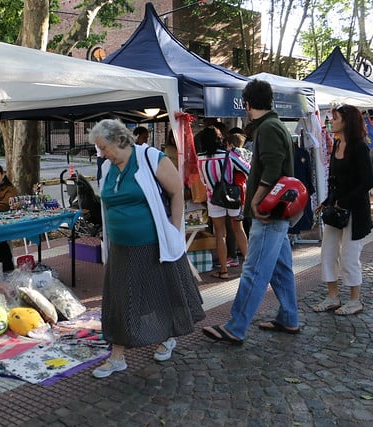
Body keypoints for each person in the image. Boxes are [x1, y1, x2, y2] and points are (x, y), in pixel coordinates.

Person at [88, 119, 205, 378]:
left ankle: (165, 337)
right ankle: (117, 356)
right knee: (120, 300)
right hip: (120, 246)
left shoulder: (151, 157)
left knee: (157, 295)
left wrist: (175, 231)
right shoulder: (108, 167)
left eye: (103, 147)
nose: (102, 153)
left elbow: (176, 193)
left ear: (119, 140)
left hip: (152, 243)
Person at [202, 79, 299, 344]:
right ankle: (289, 317)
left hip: (269, 212)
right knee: (281, 269)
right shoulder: (274, 125)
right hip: (277, 211)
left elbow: (271, 167)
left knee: (254, 270)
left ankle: (236, 326)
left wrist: (256, 200)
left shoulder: (267, 128)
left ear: (247, 104)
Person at [312, 104, 373, 316]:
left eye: (334, 118)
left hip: (355, 211)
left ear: (346, 121)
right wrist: (328, 201)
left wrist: (344, 202)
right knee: (328, 252)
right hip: (335, 210)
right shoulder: (337, 143)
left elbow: (367, 181)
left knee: (349, 256)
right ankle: (332, 296)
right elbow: (334, 181)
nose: (331, 121)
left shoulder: (359, 147)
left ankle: (355, 300)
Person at [197, 127, 250, 279]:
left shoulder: (199, 158)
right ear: (220, 139)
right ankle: (248, 267)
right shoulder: (229, 155)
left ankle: (223, 271)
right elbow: (248, 169)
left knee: (220, 233)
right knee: (238, 229)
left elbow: (202, 181)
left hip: (213, 198)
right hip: (232, 197)